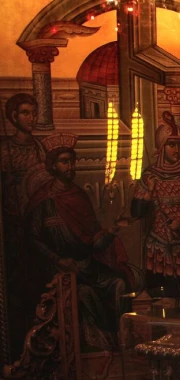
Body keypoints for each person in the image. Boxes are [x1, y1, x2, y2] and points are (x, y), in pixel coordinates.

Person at [25, 133, 135, 350]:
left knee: (119, 283)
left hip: (86, 266)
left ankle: (122, 342)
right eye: (64, 162)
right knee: (84, 294)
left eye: (71, 161)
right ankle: (97, 345)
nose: (70, 166)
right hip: (58, 268)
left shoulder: (79, 196)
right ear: (53, 165)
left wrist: (112, 229)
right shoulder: (43, 201)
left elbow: (94, 241)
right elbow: (33, 239)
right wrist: (57, 259)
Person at [130, 111, 180, 302]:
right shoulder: (150, 175)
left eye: (179, 145)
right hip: (158, 246)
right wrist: (148, 191)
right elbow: (136, 212)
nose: (177, 150)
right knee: (162, 298)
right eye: (171, 145)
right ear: (162, 147)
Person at [0, 93, 46, 355]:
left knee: (37, 284)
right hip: (13, 226)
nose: (32, 118)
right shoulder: (5, 147)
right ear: (14, 117)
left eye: (34, 112)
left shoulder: (39, 147)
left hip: (35, 223)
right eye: (26, 113)